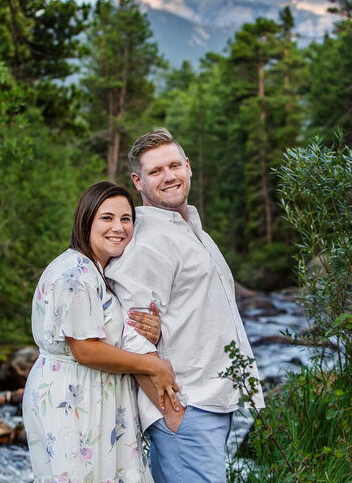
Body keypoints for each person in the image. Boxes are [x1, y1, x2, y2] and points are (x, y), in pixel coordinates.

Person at [106, 128, 265, 483]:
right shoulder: (149, 242)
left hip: (209, 403)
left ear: (188, 167)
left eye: (174, 165)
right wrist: (172, 412)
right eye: (155, 171)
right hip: (186, 408)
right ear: (138, 181)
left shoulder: (190, 227)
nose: (168, 177)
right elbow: (130, 336)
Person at [22, 181, 181, 483]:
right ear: (87, 220)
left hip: (95, 394)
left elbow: (108, 329)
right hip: (73, 397)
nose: (118, 228)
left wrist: (152, 328)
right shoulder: (76, 273)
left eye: (126, 219)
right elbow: (86, 349)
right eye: (107, 218)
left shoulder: (98, 270)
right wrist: (154, 365)